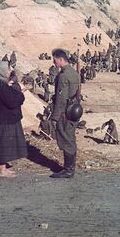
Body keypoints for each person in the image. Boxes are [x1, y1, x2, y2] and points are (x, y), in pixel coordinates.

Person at [0, 61, 30, 178]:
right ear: (2, 72)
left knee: (6, 144)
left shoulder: (1, 84)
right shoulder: (0, 86)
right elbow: (12, 101)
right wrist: (21, 93)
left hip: (6, 119)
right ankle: (2, 170)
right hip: (4, 121)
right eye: (7, 69)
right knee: (3, 144)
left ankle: (3, 168)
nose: (10, 71)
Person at [50, 48, 81, 179]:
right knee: (71, 138)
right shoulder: (74, 73)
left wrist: (55, 117)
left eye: (55, 59)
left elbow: (61, 99)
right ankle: (69, 168)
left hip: (65, 113)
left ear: (61, 59)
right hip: (74, 110)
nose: (54, 62)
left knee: (66, 139)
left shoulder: (63, 76)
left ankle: (68, 170)